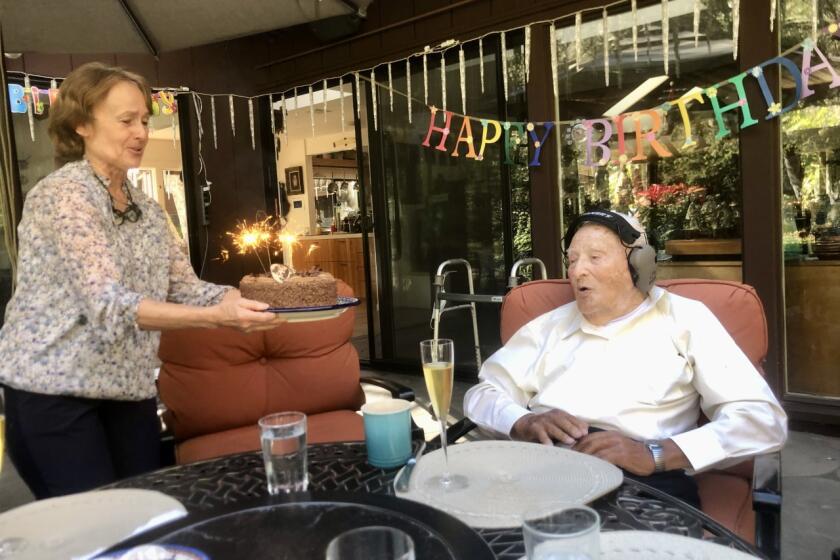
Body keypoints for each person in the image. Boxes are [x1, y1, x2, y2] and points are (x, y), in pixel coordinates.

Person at [0, 63, 285, 499]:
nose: (141, 132)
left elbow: (185, 286)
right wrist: (218, 318)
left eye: (146, 120)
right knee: (93, 531)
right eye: (126, 120)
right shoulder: (64, 195)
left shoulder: (147, 209)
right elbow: (109, 304)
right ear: (82, 124)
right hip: (54, 392)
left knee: (141, 512)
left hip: (127, 388)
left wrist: (256, 294)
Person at [464, 210, 787, 507]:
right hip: (542, 473)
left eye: (595, 258)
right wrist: (523, 421)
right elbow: (482, 394)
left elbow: (762, 421)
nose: (577, 271)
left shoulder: (686, 320)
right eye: (572, 260)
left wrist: (656, 454)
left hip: (644, 484)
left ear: (639, 264)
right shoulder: (548, 327)